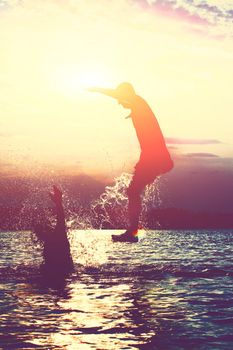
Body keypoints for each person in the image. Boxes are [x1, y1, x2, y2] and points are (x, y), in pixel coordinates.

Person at [89, 82, 173, 242]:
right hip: (151, 157)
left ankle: (133, 231)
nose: (119, 102)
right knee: (133, 191)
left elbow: (122, 95)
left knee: (133, 192)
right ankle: (133, 230)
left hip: (154, 157)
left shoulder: (138, 102)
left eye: (120, 98)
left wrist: (98, 89)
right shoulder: (138, 108)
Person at [34, 185, 73, 272]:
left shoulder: (58, 236)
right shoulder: (48, 240)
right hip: (55, 273)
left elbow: (61, 219)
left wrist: (58, 203)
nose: (38, 235)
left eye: (40, 232)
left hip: (64, 273)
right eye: (38, 233)